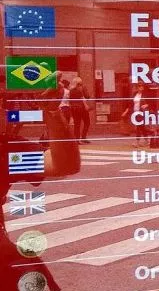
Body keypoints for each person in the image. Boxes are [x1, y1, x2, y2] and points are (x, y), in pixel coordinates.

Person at [1, 71, 81, 290]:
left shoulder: (6, 150)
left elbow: (64, 165)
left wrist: (53, 113)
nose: (3, 110)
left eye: (3, 102)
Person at [122, 84, 151, 148]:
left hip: (142, 113)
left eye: (141, 86)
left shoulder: (145, 95)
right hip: (135, 113)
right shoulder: (134, 94)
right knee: (142, 127)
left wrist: (146, 105)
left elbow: (151, 102)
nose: (140, 88)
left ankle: (137, 142)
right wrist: (126, 112)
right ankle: (147, 141)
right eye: (139, 87)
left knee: (139, 127)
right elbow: (130, 104)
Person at [69, 77, 91, 144]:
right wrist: (86, 106)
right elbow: (85, 97)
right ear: (78, 83)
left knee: (77, 124)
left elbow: (70, 100)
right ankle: (83, 137)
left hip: (74, 109)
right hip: (81, 108)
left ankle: (77, 139)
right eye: (80, 83)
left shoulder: (70, 90)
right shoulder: (80, 89)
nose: (81, 84)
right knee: (87, 122)